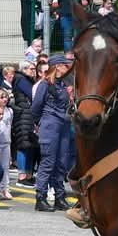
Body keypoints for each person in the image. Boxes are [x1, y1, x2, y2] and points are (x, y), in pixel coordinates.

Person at [31, 58, 75, 212]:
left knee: (61, 162)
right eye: (66, 66)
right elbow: (36, 106)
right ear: (57, 66)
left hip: (63, 125)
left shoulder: (63, 84)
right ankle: (40, 197)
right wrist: (39, 123)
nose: (68, 69)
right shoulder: (45, 84)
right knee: (48, 162)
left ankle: (59, 197)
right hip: (50, 124)